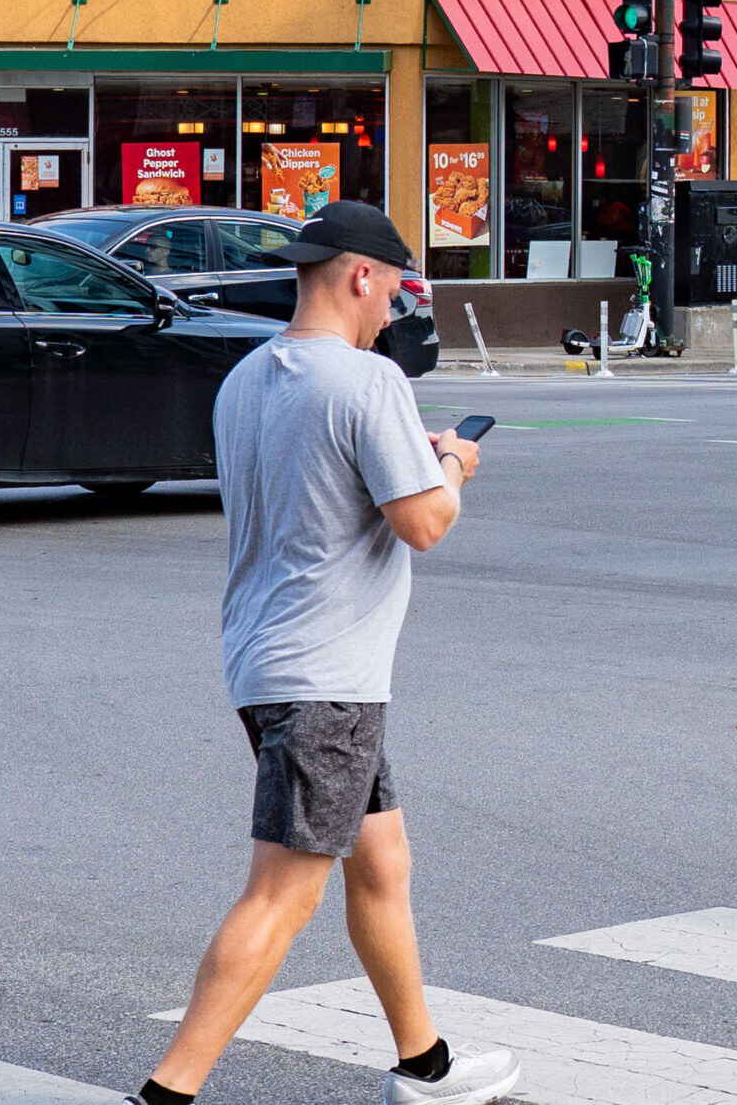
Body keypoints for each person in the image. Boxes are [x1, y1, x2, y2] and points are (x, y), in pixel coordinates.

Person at [127, 199, 520, 1105]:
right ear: (360, 276)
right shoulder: (368, 380)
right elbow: (423, 522)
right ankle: (163, 1095)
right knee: (282, 893)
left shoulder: (247, 378)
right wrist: (451, 463)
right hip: (325, 678)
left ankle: (425, 1065)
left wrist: (409, 454)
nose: (392, 312)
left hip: (267, 657)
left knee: (381, 862)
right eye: (392, 292)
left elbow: (316, 483)